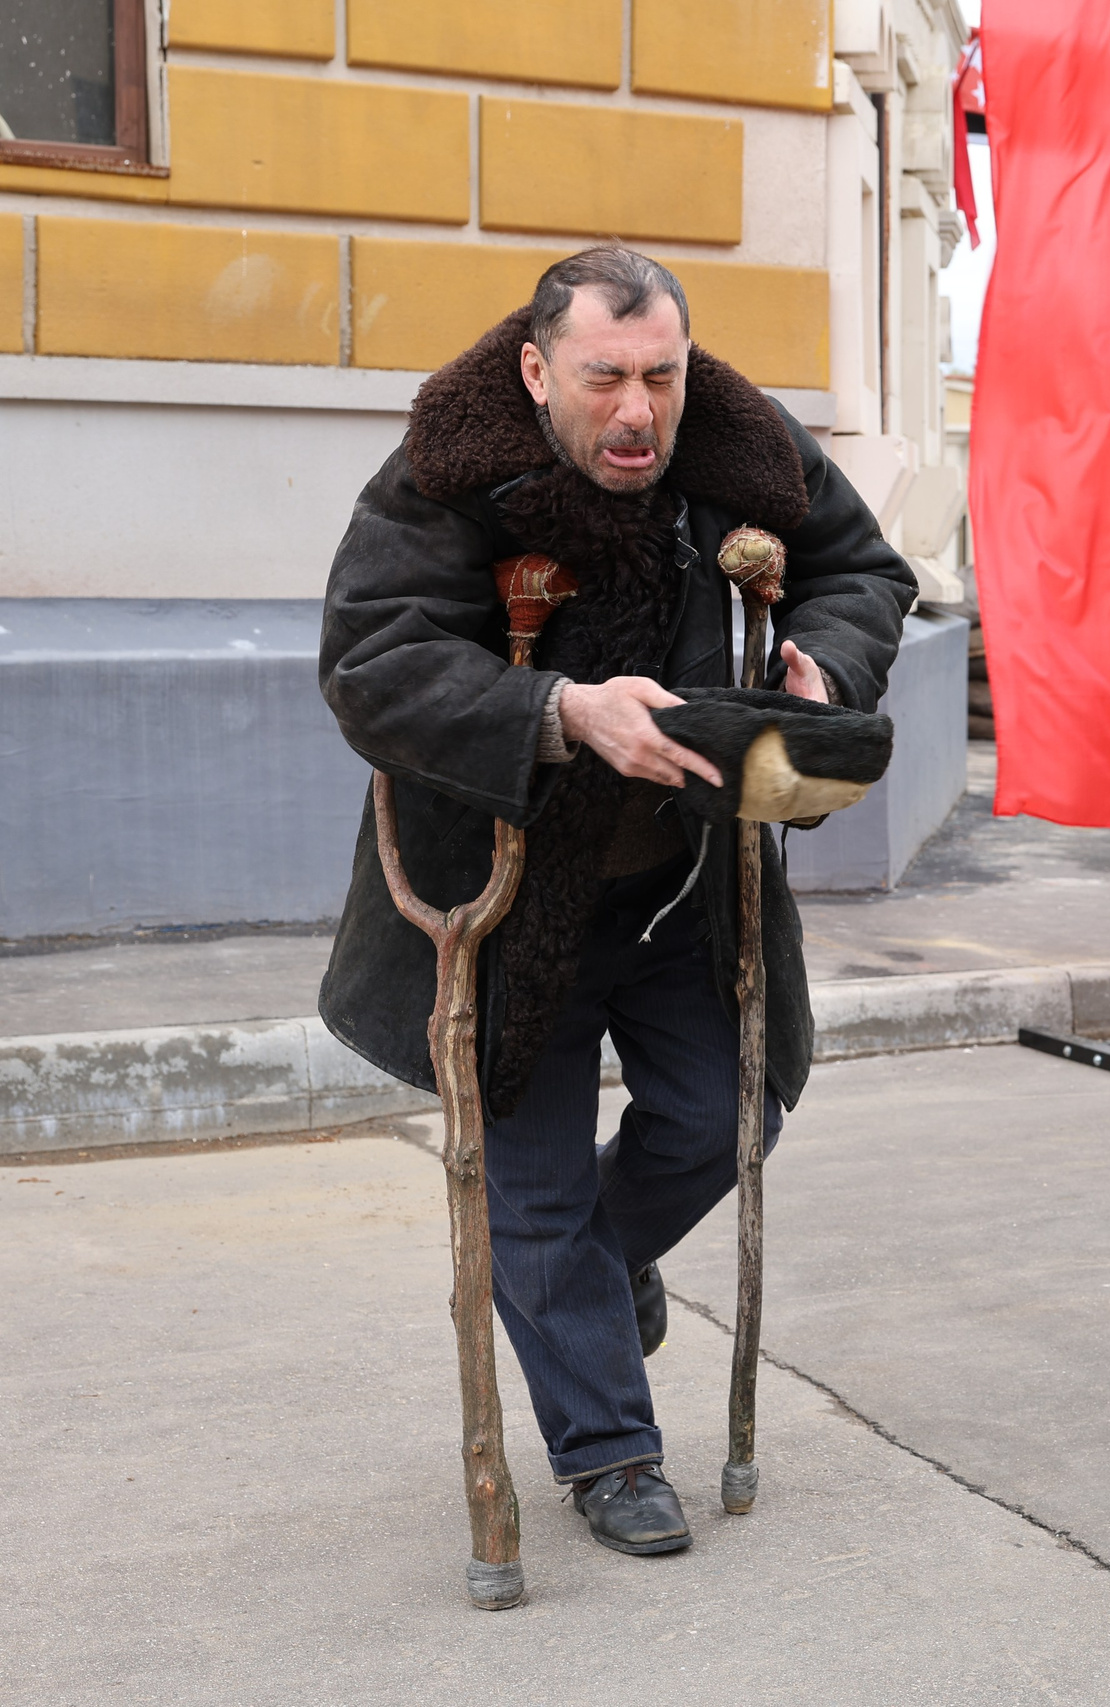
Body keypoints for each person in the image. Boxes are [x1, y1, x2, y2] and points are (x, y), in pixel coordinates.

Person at [316, 246, 914, 1557]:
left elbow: (862, 571)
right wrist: (557, 710)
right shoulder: (447, 471)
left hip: (678, 885)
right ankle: (611, 1456)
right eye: (605, 381)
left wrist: (830, 665)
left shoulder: (743, 449)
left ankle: (593, 1269)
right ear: (538, 372)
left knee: (728, 1115)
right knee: (528, 1197)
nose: (638, 413)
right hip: (503, 891)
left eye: (662, 376)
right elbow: (369, 659)